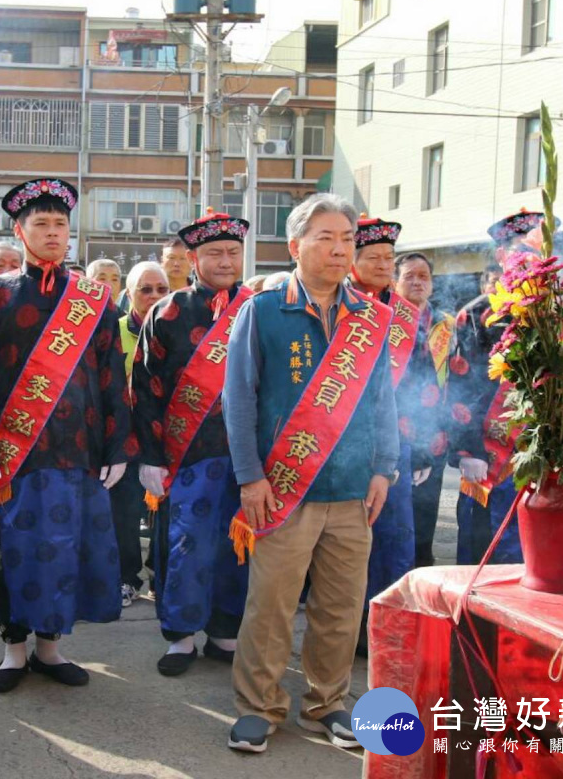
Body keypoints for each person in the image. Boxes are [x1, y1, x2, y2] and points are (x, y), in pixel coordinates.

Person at [223, 193, 399, 753]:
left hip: (351, 490)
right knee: (271, 603)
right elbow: (239, 399)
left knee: (341, 606)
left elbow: (382, 400)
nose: (340, 248)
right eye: (326, 237)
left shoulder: (371, 318)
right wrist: (250, 477)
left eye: (348, 238)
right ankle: (259, 707)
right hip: (282, 489)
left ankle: (328, 704)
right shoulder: (264, 309)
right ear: (296, 246)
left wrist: (384, 467)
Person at [0, 178, 133, 693]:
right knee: (15, 546)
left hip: (76, 449)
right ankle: (13, 650)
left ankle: (51, 648)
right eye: (41, 224)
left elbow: (111, 373)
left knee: (65, 547)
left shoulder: (93, 297)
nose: (53, 233)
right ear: (20, 230)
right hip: (16, 451)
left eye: (60, 224)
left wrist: (116, 443)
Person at [447, 211, 563, 565]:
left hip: (545, 460)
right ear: (501, 257)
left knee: (538, 555)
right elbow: (460, 386)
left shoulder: (562, 314)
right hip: (488, 460)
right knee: (482, 553)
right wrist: (466, 451)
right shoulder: (478, 316)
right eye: (519, 250)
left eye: (536, 250)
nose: (529, 258)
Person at [133, 211, 255, 676]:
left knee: (236, 544)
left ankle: (225, 631)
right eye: (214, 253)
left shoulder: (261, 307)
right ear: (193, 258)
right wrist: (148, 455)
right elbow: (144, 389)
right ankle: (180, 636)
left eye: (233, 252)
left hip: (248, 457)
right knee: (185, 546)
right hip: (186, 455)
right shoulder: (168, 312)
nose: (225, 261)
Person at [347, 218, 445, 653]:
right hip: (337, 446)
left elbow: (425, 386)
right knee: (344, 548)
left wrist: (423, 450)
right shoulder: (338, 302)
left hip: (395, 447)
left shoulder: (406, 315)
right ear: (353, 261)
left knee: (394, 539)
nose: (384, 265)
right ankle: (346, 632)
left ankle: (387, 631)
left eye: (390, 258)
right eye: (374, 258)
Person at [112, 261, 168, 607]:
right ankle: (126, 577)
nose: (154, 296)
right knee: (124, 514)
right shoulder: (111, 330)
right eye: (145, 290)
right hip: (125, 438)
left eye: (162, 289)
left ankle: (160, 577)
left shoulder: (181, 327)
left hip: (169, 439)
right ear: (129, 294)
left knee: (165, 515)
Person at [393, 252, 454, 568]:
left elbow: (458, 379)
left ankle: (420, 573)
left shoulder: (446, 324)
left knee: (425, 514)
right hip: (393, 434)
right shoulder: (385, 319)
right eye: (409, 276)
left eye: (423, 276)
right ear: (395, 281)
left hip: (434, 436)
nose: (417, 282)